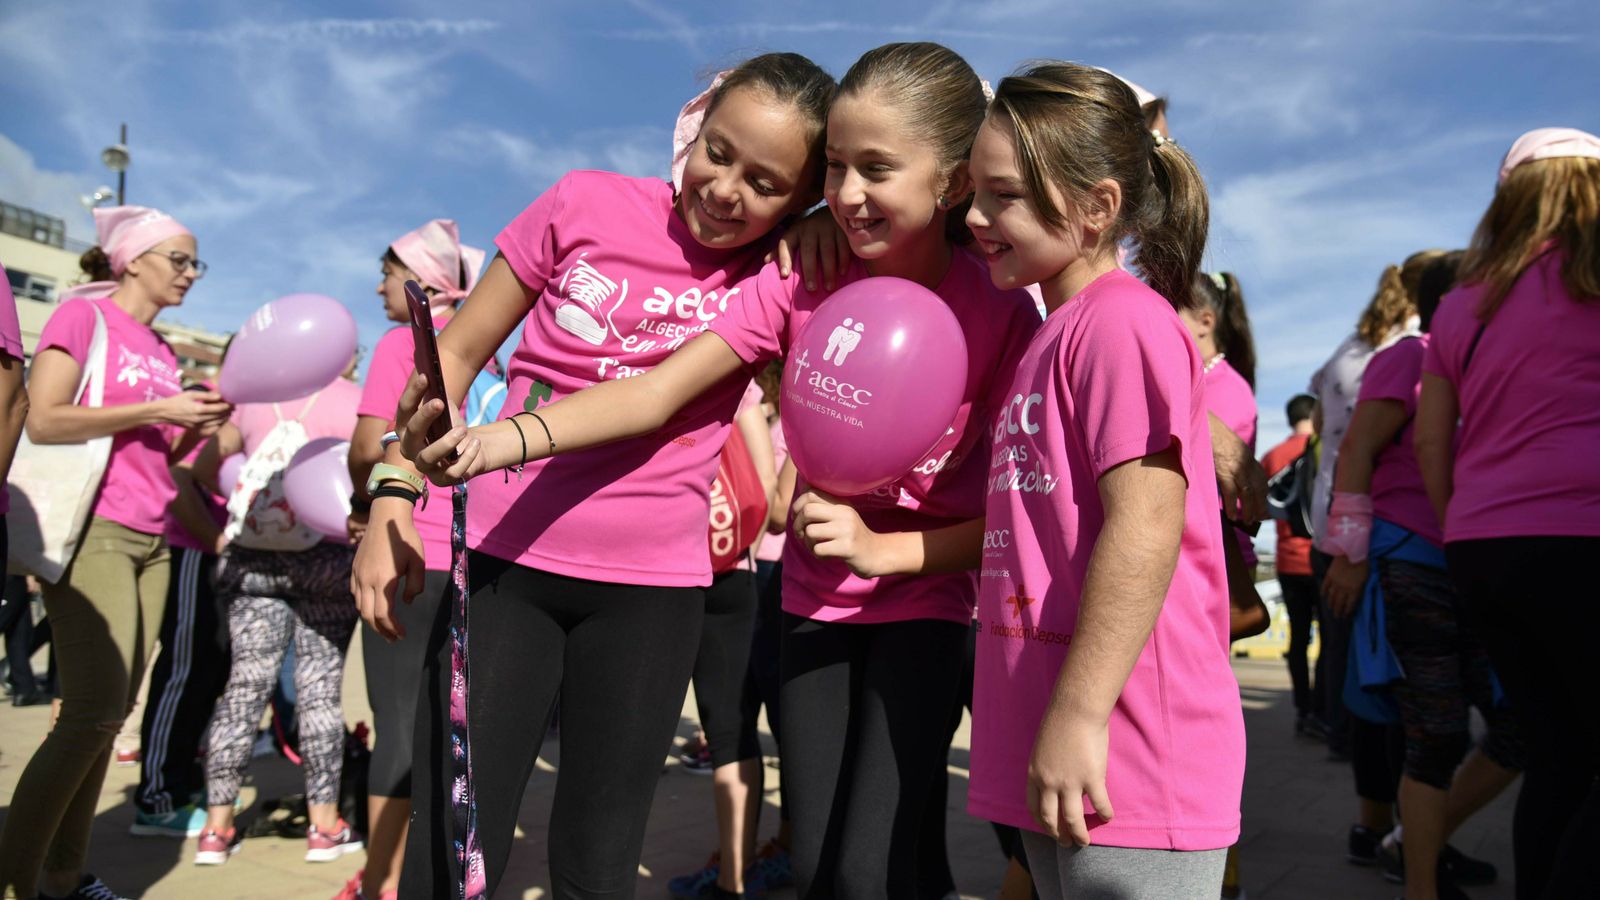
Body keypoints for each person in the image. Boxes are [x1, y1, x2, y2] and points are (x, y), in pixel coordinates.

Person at [391, 42, 1043, 899]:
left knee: (850, 866)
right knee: (811, 866)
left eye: (869, 169)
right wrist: (472, 452)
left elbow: (1025, 505)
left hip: (839, 604)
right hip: (746, 596)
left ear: (950, 180)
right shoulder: (779, 269)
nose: (847, 195)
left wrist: (892, 552)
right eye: (836, 171)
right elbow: (653, 392)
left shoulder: (963, 301)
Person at [351, 52, 836, 899]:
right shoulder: (583, 200)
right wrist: (392, 496)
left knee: (597, 863)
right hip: (506, 565)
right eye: (719, 152)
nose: (726, 190)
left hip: (653, 593)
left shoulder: (781, 273)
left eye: (765, 183)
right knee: (454, 846)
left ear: (802, 200)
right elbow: (457, 356)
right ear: (695, 127)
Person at [961, 62, 1242, 898]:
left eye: (1002, 195)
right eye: (973, 192)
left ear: (1097, 206)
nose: (975, 217)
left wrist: (1081, 716)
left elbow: (1147, 526)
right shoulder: (1055, 332)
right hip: (1067, 750)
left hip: (1133, 756)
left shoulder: (1123, 324)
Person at [0, 206, 232, 900]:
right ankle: (16, 879)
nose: (191, 274)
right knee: (94, 711)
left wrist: (196, 424)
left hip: (153, 538)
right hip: (91, 525)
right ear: (131, 259)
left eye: (196, 264)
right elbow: (43, 416)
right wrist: (159, 411)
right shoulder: (82, 317)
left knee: (105, 718)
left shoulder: (162, 351)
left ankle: (64, 879)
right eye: (179, 260)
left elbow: (161, 456)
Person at [1416, 127, 1600, 899]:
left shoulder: (1464, 305)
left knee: (1558, 756)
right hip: (1582, 536)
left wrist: (1463, 521)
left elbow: (1433, 439)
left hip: (1483, 544)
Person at [335, 219, 485, 900]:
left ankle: (383, 884)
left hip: (408, 547)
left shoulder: (406, 343)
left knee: (397, 726)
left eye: (389, 271)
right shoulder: (498, 350)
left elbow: (371, 448)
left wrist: (365, 488)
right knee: (454, 727)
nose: (379, 285)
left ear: (423, 283)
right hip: (484, 556)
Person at [192, 371, 363, 868]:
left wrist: (224, 532)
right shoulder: (354, 400)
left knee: (243, 688)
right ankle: (324, 825)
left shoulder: (255, 398)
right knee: (320, 692)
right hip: (327, 562)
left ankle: (216, 829)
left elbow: (205, 469)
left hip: (253, 559)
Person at [1306, 253, 1437, 869]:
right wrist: (1353, 547)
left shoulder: (1349, 351)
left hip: (1342, 529)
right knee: (1398, 699)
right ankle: (1399, 838)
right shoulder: (1408, 351)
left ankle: (1380, 829)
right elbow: (1360, 449)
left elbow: (1326, 436)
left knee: (1371, 690)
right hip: (1375, 533)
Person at [128, 377, 236, 838]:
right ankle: (157, 797)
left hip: (223, 561)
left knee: (209, 675)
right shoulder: (210, 398)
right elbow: (177, 478)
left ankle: (182, 784)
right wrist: (216, 543)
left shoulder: (253, 410)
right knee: (183, 672)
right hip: (194, 554)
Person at [1260, 393, 1322, 735]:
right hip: (1323, 556)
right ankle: (1326, 711)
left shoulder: (1273, 456)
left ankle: (1303, 711)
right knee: (1331, 636)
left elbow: (1258, 509)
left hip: (1287, 559)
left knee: (1298, 638)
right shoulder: (1321, 449)